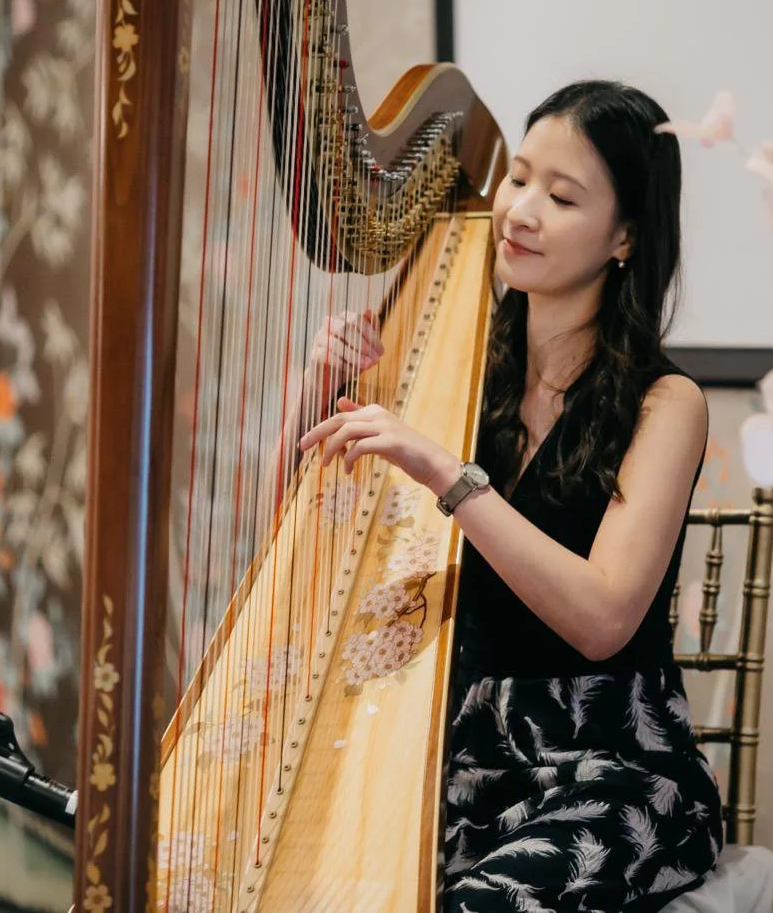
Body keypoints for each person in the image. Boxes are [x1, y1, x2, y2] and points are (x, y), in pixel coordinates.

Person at [299, 79, 722, 912]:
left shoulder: (664, 404)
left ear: (626, 237)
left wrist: (452, 479)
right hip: (456, 758)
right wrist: (315, 382)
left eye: (561, 196)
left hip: (613, 770)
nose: (520, 209)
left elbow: (602, 619)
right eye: (519, 177)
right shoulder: (453, 363)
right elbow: (300, 520)